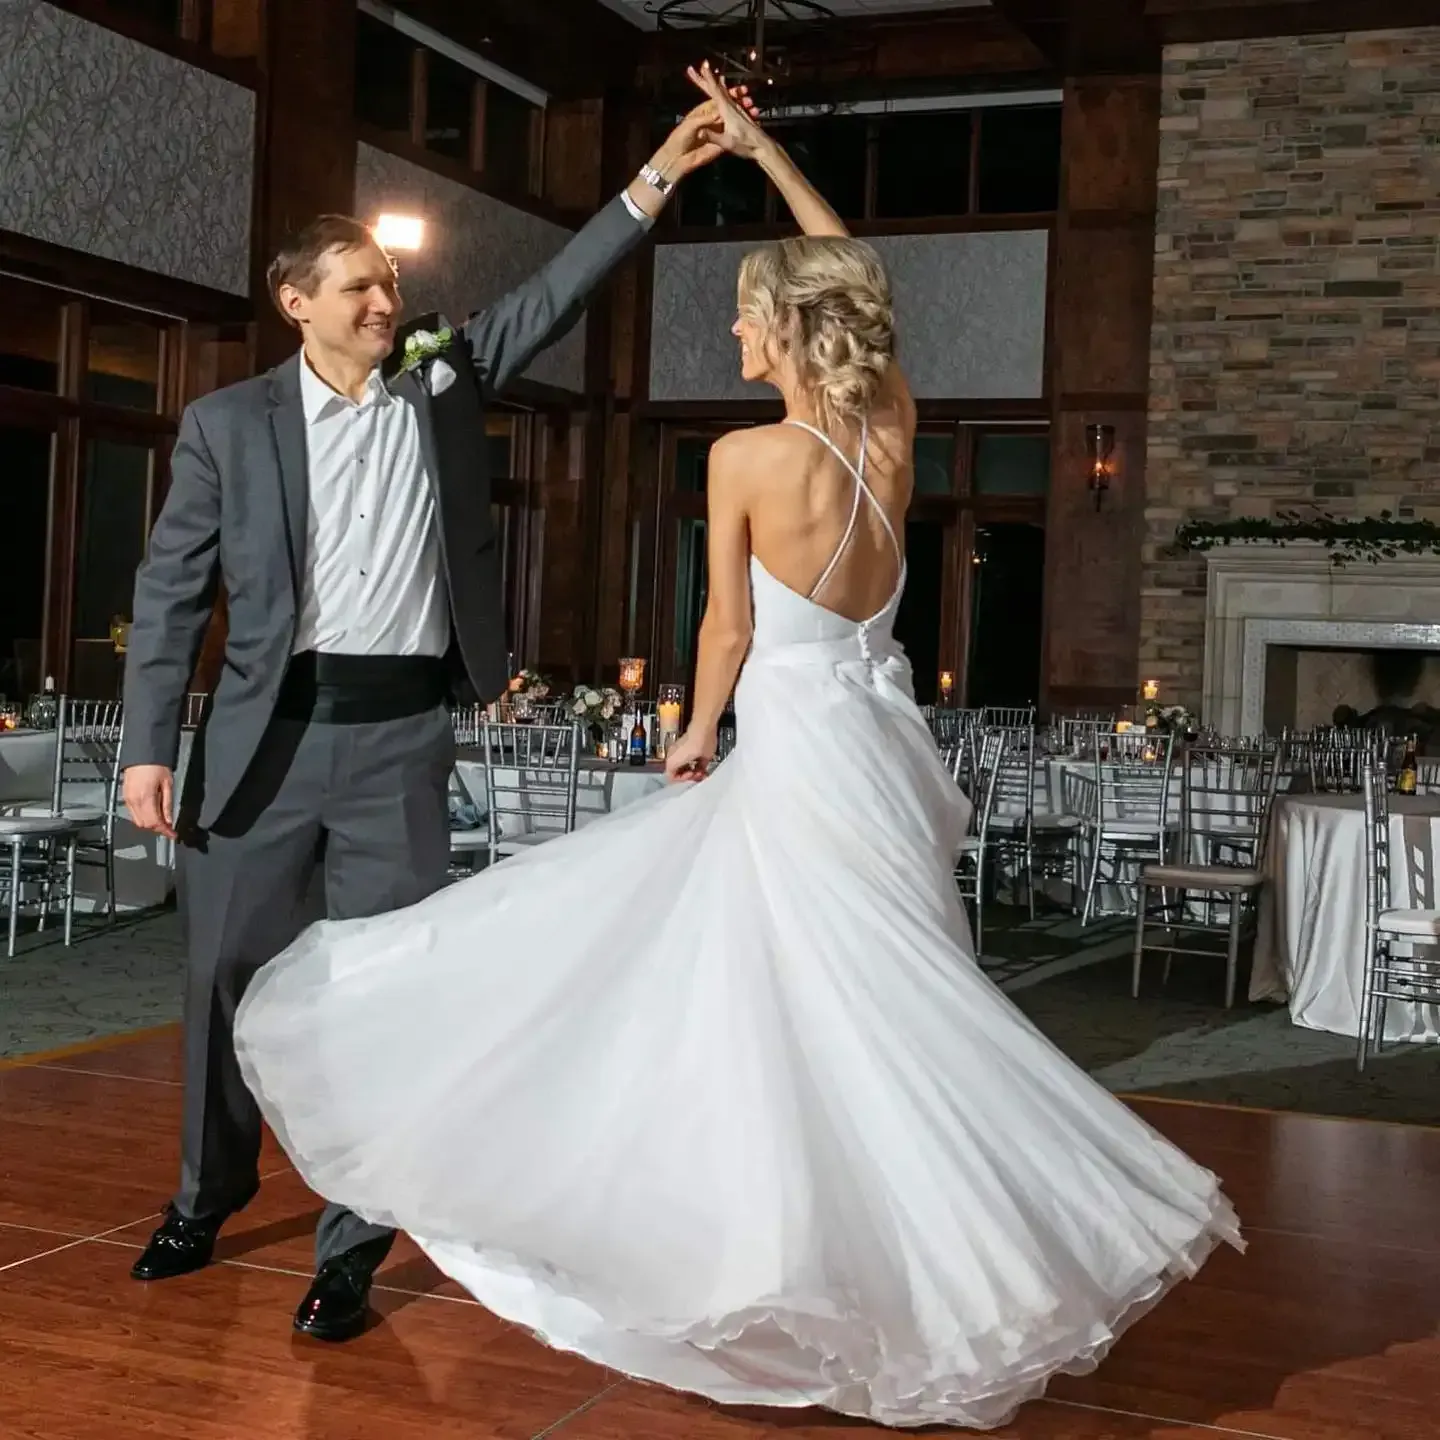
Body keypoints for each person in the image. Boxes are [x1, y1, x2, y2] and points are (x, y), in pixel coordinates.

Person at [232, 64, 1242, 1428]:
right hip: (884, 749)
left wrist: (697, 733)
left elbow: (721, 630)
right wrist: (761, 151)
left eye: (749, 318)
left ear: (784, 331)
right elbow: (849, 264)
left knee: (788, 1001)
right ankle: (916, 1262)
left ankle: (792, 1251)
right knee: (880, 999)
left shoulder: (746, 463)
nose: (736, 331)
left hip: (802, 744)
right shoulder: (894, 432)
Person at [119, 91, 750, 1344]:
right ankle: (206, 1195)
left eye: (386, 284)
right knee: (222, 982)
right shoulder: (227, 426)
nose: (381, 302)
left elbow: (555, 294)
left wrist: (654, 180)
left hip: (400, 740)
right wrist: (146, 743)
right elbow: (171, 586)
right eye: (355, 286)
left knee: (383, 998)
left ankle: (352, 1245)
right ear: (295, 299)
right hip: (262, 741)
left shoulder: (441, 384)